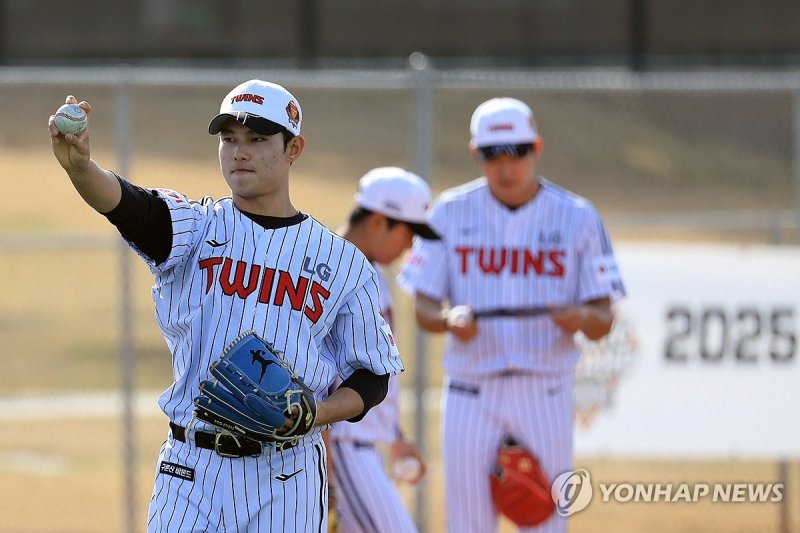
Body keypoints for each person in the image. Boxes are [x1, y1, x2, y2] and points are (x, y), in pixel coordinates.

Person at [49, 80, 404, 532]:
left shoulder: (342, 261)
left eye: (257, 139)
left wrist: (317, 413)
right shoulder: (196, 229)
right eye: (229, 139)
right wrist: (81, 169)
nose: (240, 151)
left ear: (293, 148)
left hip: (287, 475)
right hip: (191, 470)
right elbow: (129, 205)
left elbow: (371, 376)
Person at [398, 97, 626, 533]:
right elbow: (422, 304)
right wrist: (447, 320)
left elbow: (604, 319)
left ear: (536, 147)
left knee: (544, 517)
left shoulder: (577, 216)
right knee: (467, 524)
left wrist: (579, 315)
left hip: (544, 388)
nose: (506, 164)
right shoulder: (449, 211)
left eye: (517, 150)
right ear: (475, 154)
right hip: (470, 389)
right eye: (492, 153)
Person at [327, 167, 436, 533]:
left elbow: (374, 369)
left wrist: (396, 436)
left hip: (363, 443)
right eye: (408, 232)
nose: (410, 246)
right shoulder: (332, 270)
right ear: (378, 221)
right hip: (343, 443)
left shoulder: (369, 272)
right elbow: (315, 371)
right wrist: (325, 455)